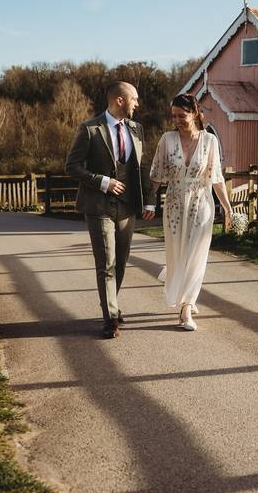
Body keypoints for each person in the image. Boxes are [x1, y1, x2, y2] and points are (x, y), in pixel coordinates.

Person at [65, 81, 156, 339]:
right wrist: (102, 182)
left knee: (121, 262)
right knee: (106, 262)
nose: (137, 104)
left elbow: (143, 168)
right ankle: (111, 318)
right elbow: (71, 166)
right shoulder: (90, 129)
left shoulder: (137, 130)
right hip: (98, 206)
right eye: (134, 99)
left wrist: (150, 200)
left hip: (128, 207)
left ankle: (109, 305)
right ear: (120, 100)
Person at [149, 94, 233, 331]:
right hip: (174, 205)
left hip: (201, 205)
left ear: (195, 113)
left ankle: (186, 307)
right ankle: (180, 283)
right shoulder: (167, 139)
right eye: (173, 115)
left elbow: (216, 178)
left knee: (196, 255)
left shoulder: (210, 142)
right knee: (177, 254)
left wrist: (227, 208)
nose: (176, 120)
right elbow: (156, 175)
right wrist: (148, 203)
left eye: (181, 115)